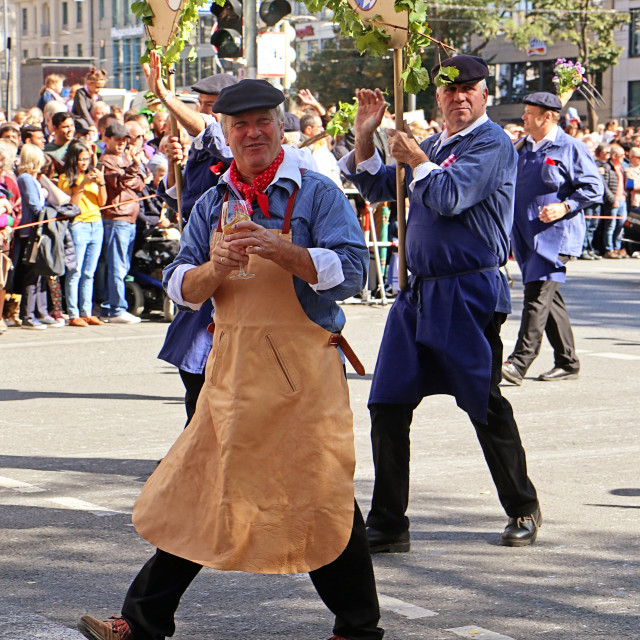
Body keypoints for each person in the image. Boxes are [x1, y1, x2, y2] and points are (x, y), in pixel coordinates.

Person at [77, 79, 382, 640]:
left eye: (262, 120)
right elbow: (180, 286)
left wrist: (286, 251)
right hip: (232, 374)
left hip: (302, 379)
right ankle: (142, 622)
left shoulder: (316, 193)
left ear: (280, 124)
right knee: (202, 491)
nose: (252, 133)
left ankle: (360, 629)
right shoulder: (213, 203)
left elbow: (356, 272)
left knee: (319, 494)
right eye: (239, 125)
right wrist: (214, 268)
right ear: (224, 133)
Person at [340, 55, 541, 550]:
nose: (459, 97)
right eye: (450, 91)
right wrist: (367, 136)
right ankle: (388, 523)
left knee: (483, 403)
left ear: (485, 94)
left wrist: (415, 159)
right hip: (419, 292)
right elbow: (376, 188)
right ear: (438, 98)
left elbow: (450, 195)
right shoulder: (430, 146)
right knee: (387, 404)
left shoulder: (493, 144)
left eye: (469, 88)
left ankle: (523, 507)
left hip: (469, 292)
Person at [501, 92, 603, 386]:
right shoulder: (522, 147)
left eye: (529, 112)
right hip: (526, 236)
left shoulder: (570, 147)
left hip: (554, 238)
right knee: (549, 298)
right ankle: (568, 361)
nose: (523, 117)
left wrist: (565, 206)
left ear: (547, 117)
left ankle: (519, 362)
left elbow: (593, 188)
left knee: (536, 297)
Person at [99, 122, 146, 323]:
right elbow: (123, 182)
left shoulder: (125, 159)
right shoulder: (106, 161)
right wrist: (133, 170)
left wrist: (132, 174)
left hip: (130, 218)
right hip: (116, 218)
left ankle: (114, 305)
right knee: (117, 265)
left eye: (124, 140)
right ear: (107, 139)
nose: (121, 144)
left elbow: (140, 183)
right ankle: (116, 308)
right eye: (117, 139)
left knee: (123, 265)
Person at [15, 144, 64, 329]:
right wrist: (44, 194)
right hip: (31, 232)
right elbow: (35, 206)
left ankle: (41, 311)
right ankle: (28, 315)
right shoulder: (26, 178)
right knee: (32, 274)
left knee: (41, 273)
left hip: (40, 231)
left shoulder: (32, 178)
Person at [58, 140, 106, 327]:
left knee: (89, 272)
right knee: (75, 271)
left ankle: (86, 311)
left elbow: (102, 202)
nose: (84, 163)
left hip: (96, 223)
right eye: (81, 159)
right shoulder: (66, 178)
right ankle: (73, 312)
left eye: (86, 159)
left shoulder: (92, 175)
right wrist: (82, 185)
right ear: (73, 159)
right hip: (78, 224)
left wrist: (101, 184)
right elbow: (72, 206)